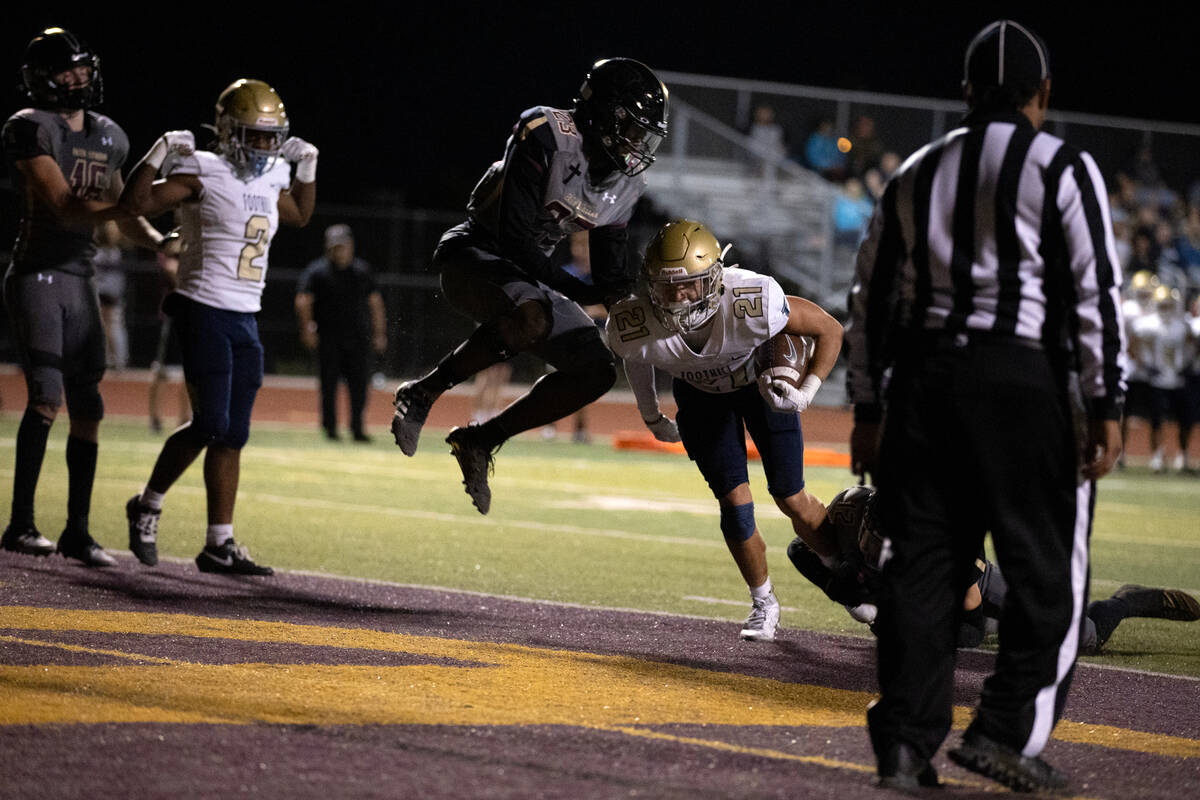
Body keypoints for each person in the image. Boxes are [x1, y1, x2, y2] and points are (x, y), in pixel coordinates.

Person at [845, 20, 1126, 794]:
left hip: (925, 391)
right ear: (1043, 95)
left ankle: (904, 745)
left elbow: (867, 300)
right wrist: (1106, 400)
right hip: (1023, 387)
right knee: (1049, 576)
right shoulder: (1064, 165)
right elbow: (1097, 295)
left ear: (966, 92)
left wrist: (867, 408)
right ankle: (1004, 733)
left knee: (922, 572)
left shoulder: (917, 172)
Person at [390, 58, 668, 514]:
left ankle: (480, 440)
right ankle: (422, 392)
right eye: (633, 130)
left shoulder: (622, 186)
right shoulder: (545, 132)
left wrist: (645, 309)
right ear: (606, 115)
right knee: (531, 316)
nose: (637, 145)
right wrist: (580, 294)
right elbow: (516, 238)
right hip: (476, 253)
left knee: (596, 369)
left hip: (528, 278)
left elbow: (611, 273)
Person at [607, 220, 844, 642]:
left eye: (690, 285)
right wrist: (649, 413)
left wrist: (807, 390)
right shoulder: (634, 321)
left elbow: (829, 327)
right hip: (701, 398)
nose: (679, 297)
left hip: (759, 386)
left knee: (791, 496)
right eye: (667, 287)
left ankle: (842, 572)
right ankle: (763, 603)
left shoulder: (751, 298)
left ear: (714, 278)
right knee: (735, 504)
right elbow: (638, 356)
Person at [120, 78, 317, 573]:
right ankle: (147, 503)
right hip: (201, 304)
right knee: (211, 423)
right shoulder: (202, 169)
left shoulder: (274, 175)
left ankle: (218, 543)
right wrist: (159, 152)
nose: (266, 146)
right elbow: (135, 204)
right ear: (228, 132)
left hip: (246, 315)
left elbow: (298, 214)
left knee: (234, 434)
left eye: (271, 137)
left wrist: (307, 169)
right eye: (255, 135)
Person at [1, 28, 163, 567]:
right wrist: (128, 207)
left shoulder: (109, 134)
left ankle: (78, 530)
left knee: (89, 406)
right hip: (39, 273)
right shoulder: (29, 128)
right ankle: (21, 523)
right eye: (65, 71)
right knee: (47, 399)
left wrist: (163, 242)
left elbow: (123, 208)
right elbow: (66, 207)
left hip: (82, 275)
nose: (78, 78)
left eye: (81, 68)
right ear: (42, 80)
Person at [787, 484, 1200, 653]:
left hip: (973, 589)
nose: (881, 549)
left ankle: (1127, 600)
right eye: (876, 539)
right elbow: (797, 549)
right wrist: (836, 583)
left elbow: (966, 632)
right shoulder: (847, 511)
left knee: (1082, 637)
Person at [295, 223, 387, 442]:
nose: (340, 251)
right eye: (336, 247)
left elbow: (375, 303)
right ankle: (330, 428)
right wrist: (307, 328)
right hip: (328, 337)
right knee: (328, 384)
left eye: (343, 246)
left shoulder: (362, 271)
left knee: (360, 384)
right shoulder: (317, 271)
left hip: (358, 337)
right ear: (328, 248)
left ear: (351, 246)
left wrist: (379, 332)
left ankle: (357, 427)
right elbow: (303, 300)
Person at [148, 230, 191, 433]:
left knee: (191, 369)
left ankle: (185, 419)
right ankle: (155, 417)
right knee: (162, 370)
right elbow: (173, 273)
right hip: (172, 316)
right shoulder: (172, 241)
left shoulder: (199, 238)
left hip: (194, 315)